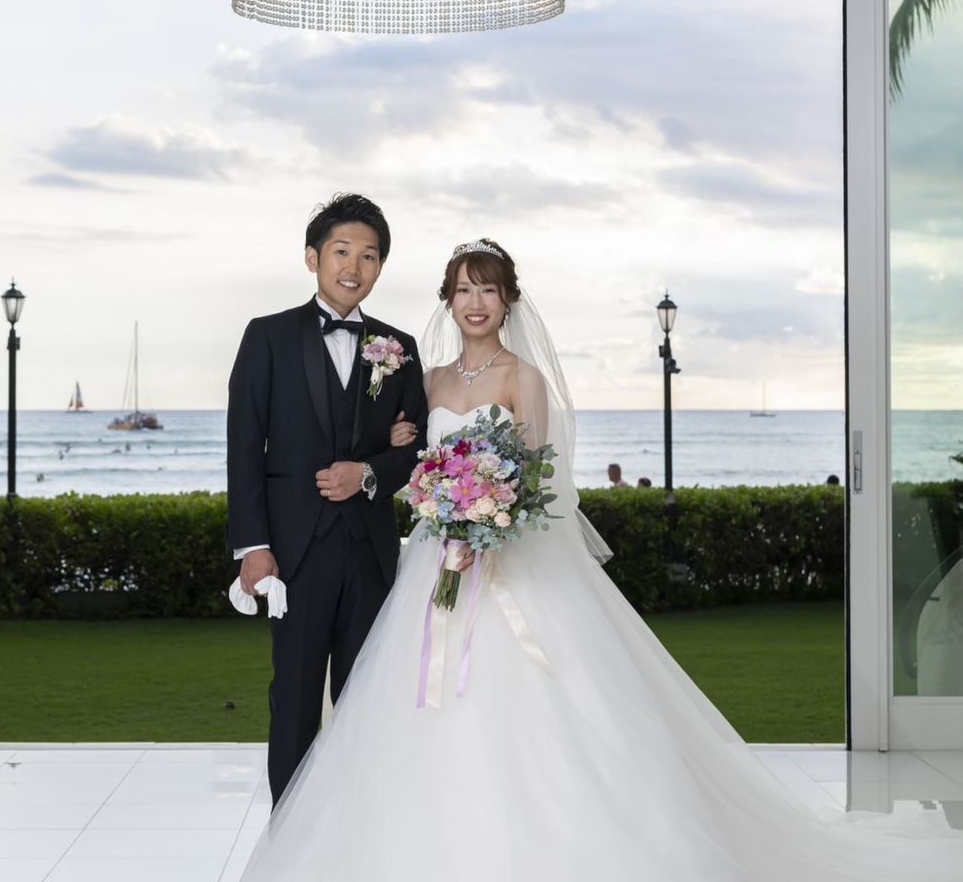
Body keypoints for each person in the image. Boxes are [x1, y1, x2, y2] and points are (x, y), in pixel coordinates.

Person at [238, 238, 963, 882]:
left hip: (506, 556)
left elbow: (537, 476)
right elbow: (406, 458)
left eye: (488, 289)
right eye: (462, 289)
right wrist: (420, 473)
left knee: (527, 699)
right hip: (434, 560)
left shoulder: (524, 378)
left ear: (508, 299)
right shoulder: (426, 382)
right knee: (412, 699)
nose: (475, 302)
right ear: (447, 301)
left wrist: (488, 513)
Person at [226, 193, 428, 805]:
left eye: (369, 256)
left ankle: (359, 826)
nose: (354, 266)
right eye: (342, 251)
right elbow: (244, 447)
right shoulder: (267, 337)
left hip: (370, 553)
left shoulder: (399, 347)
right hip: (294, 554)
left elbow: (416, 451)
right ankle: (289, 834)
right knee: (293, 696)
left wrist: (367, 472)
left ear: (380, 267)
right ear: (313, 257)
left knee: (366, 698)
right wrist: (253, 547)